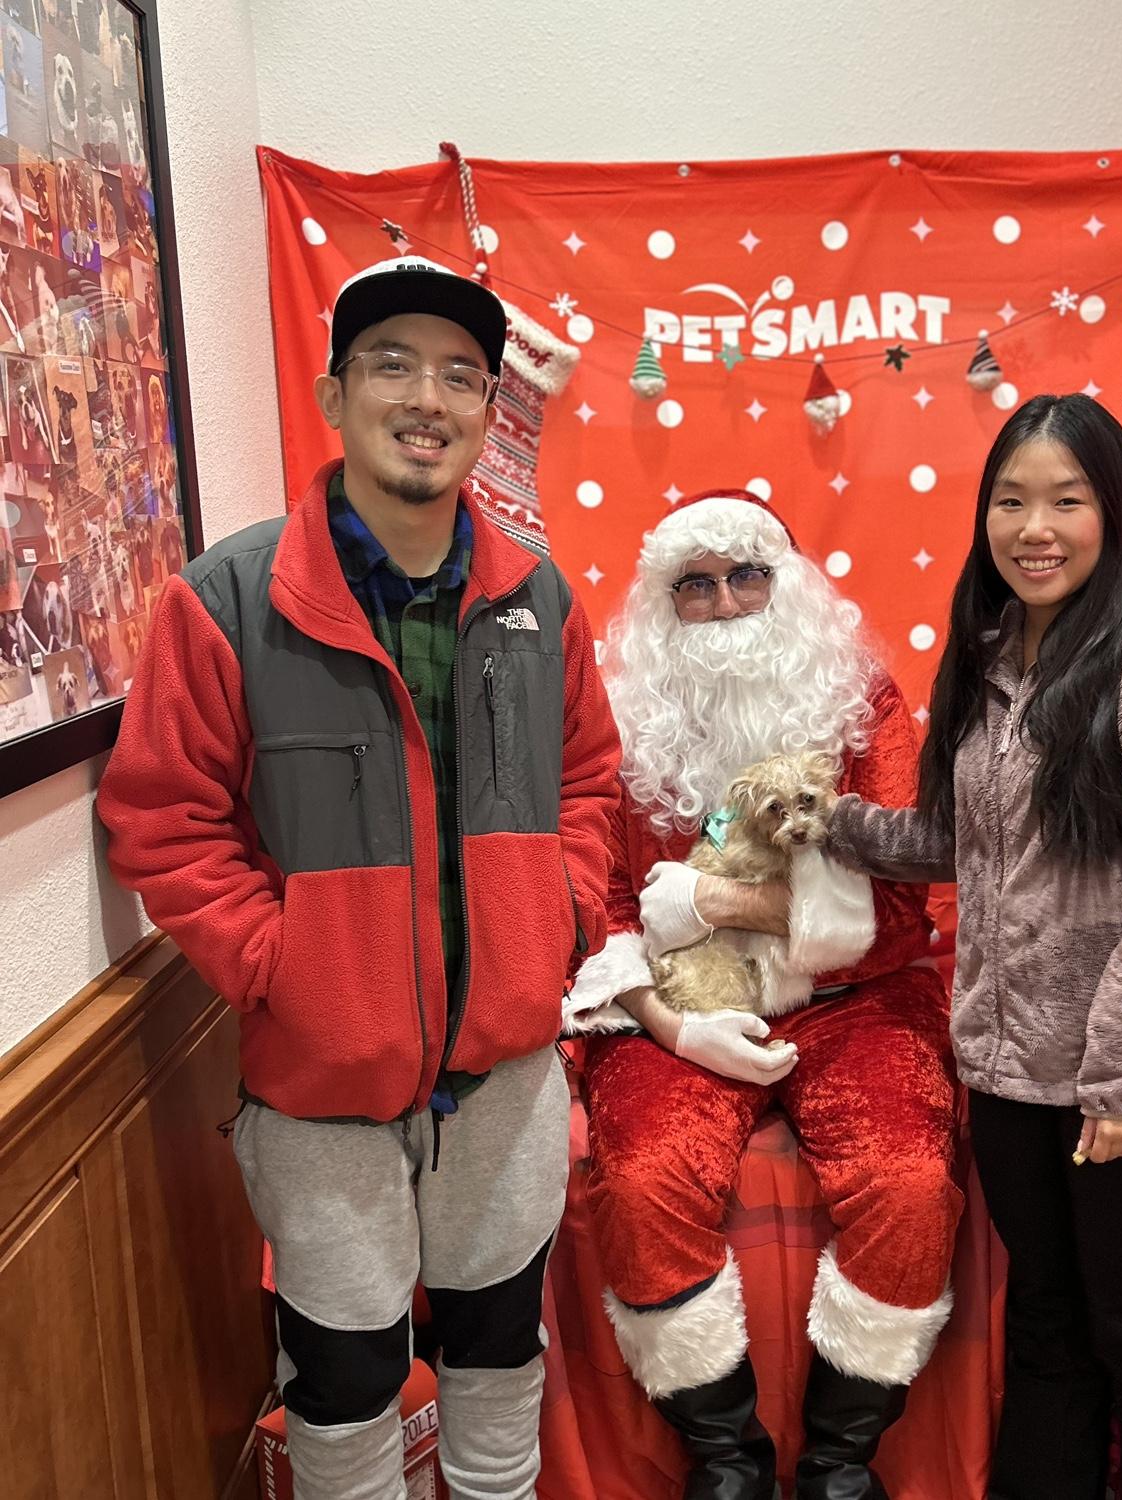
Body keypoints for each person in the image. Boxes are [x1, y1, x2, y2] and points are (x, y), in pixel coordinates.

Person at [96, 256, 620, 1500]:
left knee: (498, 1353)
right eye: (393, 365)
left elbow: (591, 784)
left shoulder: (539, 601)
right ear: (335, 396)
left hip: (505, 1081)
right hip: (321, 1098)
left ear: (487, 413)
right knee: (341, 1384)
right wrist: (280, 968)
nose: (427, 399)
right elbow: (164, 819)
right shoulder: (227, 600)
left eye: (461, 376)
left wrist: (561, 916)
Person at [825, 394, 1122, 1500]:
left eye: (1066, 500)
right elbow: (960, 842)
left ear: (1114, 511)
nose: (1035, 529)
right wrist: (825, 822)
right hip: (1012, 1073)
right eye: (1011, 501)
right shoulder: (987, 655)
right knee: (1048, 1330)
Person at [564, 487, 962, 1500]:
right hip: (677, 1000)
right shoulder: (622, 719)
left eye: (747, 575)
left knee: (911, 1183)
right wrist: (669, 1026)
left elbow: (905, 902)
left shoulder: (861, 704)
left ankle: (840, 1465)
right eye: (695, 585)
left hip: (855, 998)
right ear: (662, 607)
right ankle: (725, 1461)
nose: (726, 603)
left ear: (789, 586)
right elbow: (602, 902)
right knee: (643, 1180)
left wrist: (721, 901)